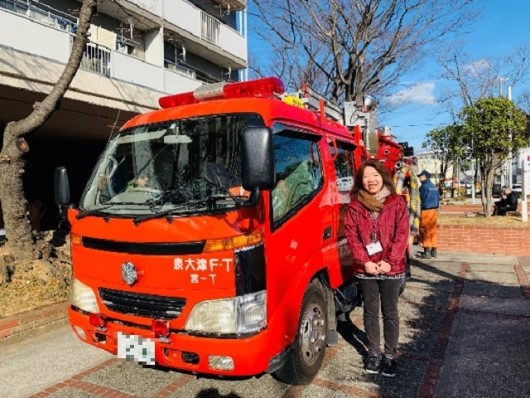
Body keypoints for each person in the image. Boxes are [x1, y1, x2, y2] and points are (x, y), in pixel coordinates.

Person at [344, 160, 410, 377]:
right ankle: (373, 353)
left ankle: (390, 355)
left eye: (374, 176)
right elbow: (352, 236)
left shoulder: (397, 203)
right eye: (365, 177)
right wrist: (365, 261)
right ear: (360, 181)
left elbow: (402, 235)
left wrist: (390, 261)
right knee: (370, 312)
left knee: (390, 312)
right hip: (367, 269)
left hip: (392, 267)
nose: (370, 180)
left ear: (383, 176)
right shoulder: (355, 205)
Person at [417, 170, 440, 259]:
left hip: (426, 210)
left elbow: (420, 199)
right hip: (434, 210)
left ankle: (427, 251)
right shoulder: (433, 186)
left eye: (421, 176)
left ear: (425, 176)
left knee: (424, 229)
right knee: (433, 230)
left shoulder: (423, 187)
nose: (419, 178)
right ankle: (434, 250)